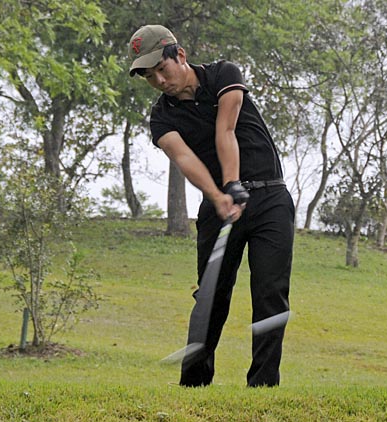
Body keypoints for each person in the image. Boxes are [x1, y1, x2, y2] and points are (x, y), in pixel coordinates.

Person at [128, 24, 294, 387]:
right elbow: (186, 159)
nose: (159, 80)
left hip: (270, 200)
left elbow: (226, 130)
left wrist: (233, 183)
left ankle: (263, 386)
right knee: (211, 295)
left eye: (162, 69)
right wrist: (220, 195)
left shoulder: (224, 75)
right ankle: (194, 385)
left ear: (181, 55)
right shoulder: (162, 118)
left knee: (270, 293)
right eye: (150, 76)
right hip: (217, 208)